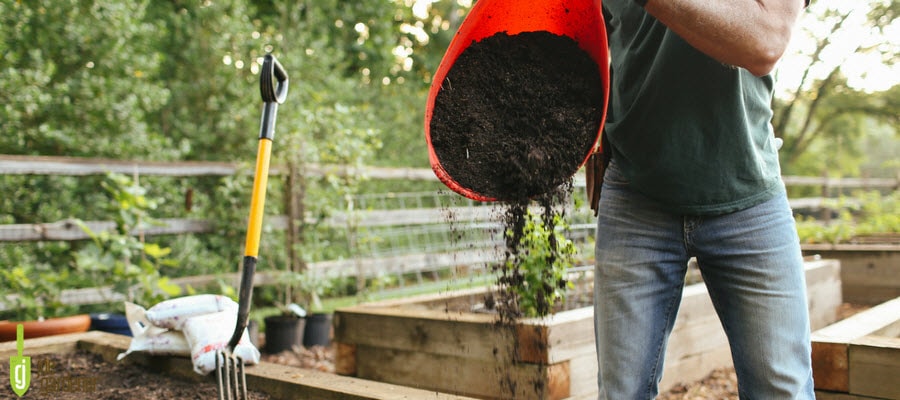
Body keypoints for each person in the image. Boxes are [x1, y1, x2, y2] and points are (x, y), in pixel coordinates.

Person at [590, 0, 813, 398]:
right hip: (635, 194)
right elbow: (586, 39)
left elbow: (766, 41)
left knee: (782, 388)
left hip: (747, 194)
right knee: (621, 392)